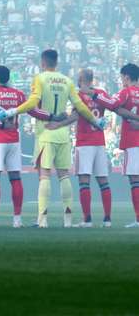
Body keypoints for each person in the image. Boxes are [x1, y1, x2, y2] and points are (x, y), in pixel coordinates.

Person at [0, 49, 100, 228]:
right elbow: (80, 106)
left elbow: (32, 103)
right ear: (56, 62)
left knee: (44, 175)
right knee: (64, 176)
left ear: (43, 62)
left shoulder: (40, 78)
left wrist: (11, 111)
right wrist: (95, 121)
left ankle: (42, 219)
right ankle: (68, 221)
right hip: (63, 134)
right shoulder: (67, 81)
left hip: (46, 132)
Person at [0, 65, 53, 228]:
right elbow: (33, 111)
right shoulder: (18, 94)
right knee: (15, 178)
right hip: (14, 140)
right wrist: (52, 116)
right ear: (8, 78)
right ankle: (17, 220)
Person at [93, 63, 139, 228]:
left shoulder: (126, 92)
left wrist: (95, 96)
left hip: (133, 141)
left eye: (121, 78)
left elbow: (112, 104)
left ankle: (138, 219)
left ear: (126, 77)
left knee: (135, 181)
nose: (121, 81)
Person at [70, 69, 113, 227]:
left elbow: (75, 116)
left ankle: (87, 219)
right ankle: (107, 219)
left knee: (84, 181)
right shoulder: (100, 93)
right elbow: (112, 106)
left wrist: (59, 123)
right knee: (103, 181)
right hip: (99, 143)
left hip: (84, 142)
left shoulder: (78, 95)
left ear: (81, 80)